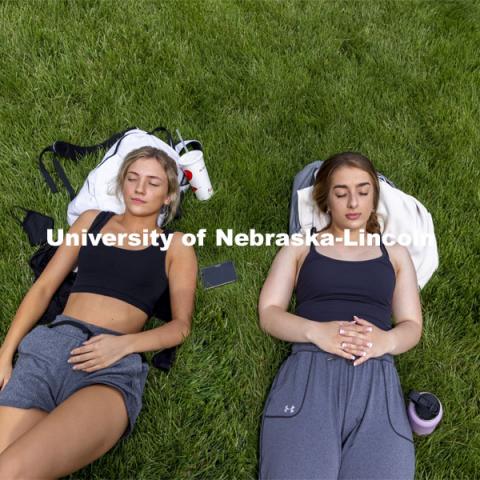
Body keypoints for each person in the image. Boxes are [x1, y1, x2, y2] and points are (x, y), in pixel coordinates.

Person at [0, 146, 197, 478]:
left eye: (152, 182)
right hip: (50, 350)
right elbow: (45, 288)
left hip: (110, 367)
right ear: (122, 183)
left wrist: (124, 345)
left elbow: (180, 326)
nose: (139, 188)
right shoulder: (92, 221)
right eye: (132, 178)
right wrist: (6, 354)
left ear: (168, 195)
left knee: (12, 470)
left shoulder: (176, 246)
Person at [258, 152, 422, 480]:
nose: (353, 202)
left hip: (376, 380)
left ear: (374, 197)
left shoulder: (395, 253)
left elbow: (412, 325)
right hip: (310, 373)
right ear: (326, 200)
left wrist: (386, 340)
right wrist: (315, 332)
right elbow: (269, 313)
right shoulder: (301, 246)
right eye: (341, 192)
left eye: (363, 191)